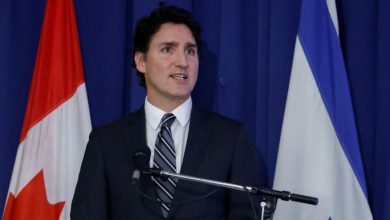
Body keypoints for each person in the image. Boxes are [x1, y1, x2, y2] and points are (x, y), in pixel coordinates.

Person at [71, 5, 270, 220]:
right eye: (168, 49)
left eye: (190, 51)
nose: (183, 62)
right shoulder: (106, 142)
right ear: (141, 61)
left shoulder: (232, 138)